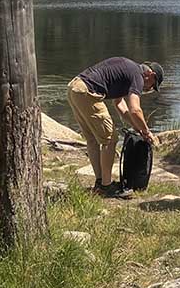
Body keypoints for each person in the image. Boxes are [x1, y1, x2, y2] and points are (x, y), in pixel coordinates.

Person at [67, 57, 162, 198]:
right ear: (151, 75)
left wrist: (137, 127)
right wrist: (147, 131)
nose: (148, 89)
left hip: (74, 88)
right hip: (87, 92)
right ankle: (106, 186)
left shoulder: (129, 70)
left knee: (92, 139)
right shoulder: (138, 76)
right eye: (152, 86)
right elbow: (135, 109)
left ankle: (101, 183)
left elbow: (119, 104)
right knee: (110, 140)